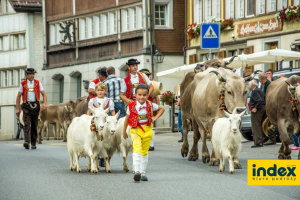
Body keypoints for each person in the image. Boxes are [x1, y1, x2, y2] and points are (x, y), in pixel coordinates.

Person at [122, 84, 165, 182]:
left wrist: (155, 117)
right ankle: (137, 171)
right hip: (136, 130)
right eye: (139, 95)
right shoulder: (131, 106)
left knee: (145, 151)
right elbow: (127, 119)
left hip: (147, 130)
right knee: (137, 149)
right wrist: (124, 131)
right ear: (135, 95)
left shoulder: (150, 104)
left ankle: (143, 172)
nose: (142, 97)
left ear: (147, 95)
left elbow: (162, 108)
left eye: (144, 95)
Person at [16, 68, 47, 150]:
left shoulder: (38, 83)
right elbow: (18, 96)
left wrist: (44, 104)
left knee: (34, 124)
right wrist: (17, 109)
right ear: (26, 75)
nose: (32, 76)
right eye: (30, 74)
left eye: (33, 74)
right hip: (26, 105)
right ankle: (26, 141)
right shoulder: (23, 84)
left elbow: (44, 94)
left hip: (35, 105)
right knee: (27, 123)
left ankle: (33, 143)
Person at [139, 68, 160, 151]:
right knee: (149, 125)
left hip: (147, 106)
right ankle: (150, 144)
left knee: (146, 124)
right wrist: (157, 106)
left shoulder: (144, 84)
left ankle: (149, 144)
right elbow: (157, 97)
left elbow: (156, 97)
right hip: (150, 105)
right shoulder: (152, 84)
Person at [258, 72, 275, 145]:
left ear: (261, 79)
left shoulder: (268, 85)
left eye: (259, 78)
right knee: (264, 122)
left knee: (268, 122)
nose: (259, 80)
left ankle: (271, 138)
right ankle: (266, 137)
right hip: (265, 105)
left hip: (269, 106)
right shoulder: (263, 85)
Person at [249, 79, 265, 148]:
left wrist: (255, 107)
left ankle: (258, 142)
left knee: (256, 125)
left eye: (249, 84)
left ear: (253, 85)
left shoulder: (255, 91)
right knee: (261, 124)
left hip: (258, 109)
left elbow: (259, 100)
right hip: (262, 108)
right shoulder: (259, 90)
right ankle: (261, 140)